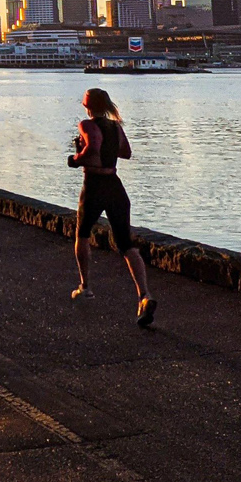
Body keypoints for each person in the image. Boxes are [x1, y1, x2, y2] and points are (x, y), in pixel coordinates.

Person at [68, 88, 157, 327]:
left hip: (95, 185)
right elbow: (125, 153)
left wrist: (76, 159)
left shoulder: (86, 125)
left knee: (83, 234)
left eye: (84, 101)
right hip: (115, 186)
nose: (83, 105)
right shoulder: (115, 126)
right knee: (126, 244)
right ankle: (144, 296)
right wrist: (103, 150)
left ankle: (85, 287)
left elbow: (93, 148)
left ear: (89, 106)